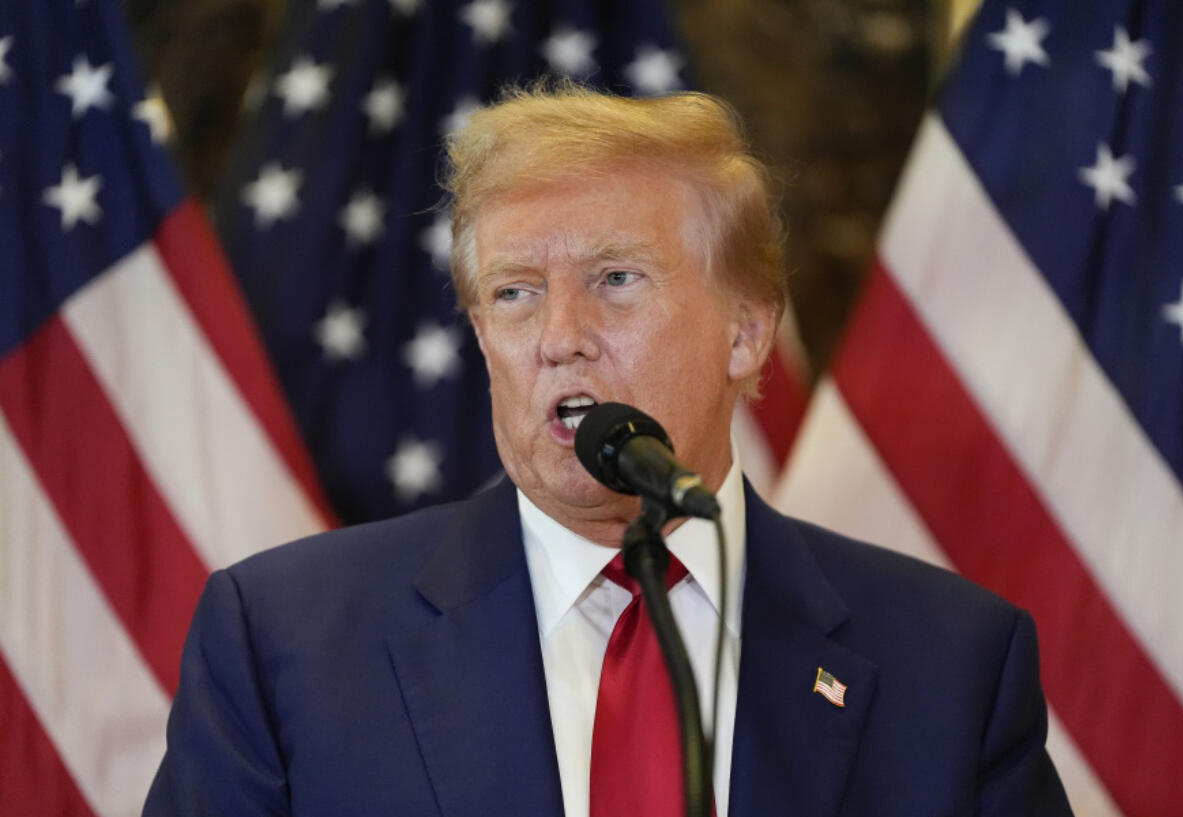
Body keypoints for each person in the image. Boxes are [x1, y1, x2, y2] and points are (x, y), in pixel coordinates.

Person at [144, 82, 1073, 816]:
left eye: (615, 280)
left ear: (746, 334)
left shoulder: (950, 664)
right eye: (513, 293)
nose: (558, 335)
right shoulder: (285, 641)